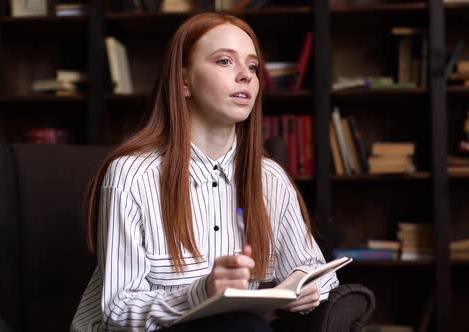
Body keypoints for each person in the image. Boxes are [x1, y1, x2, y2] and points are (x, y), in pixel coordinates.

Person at [71, 12, 338, 332]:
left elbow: (317, 270)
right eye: (225, 61)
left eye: (252, 66)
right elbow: (118, 309)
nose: (246, 77)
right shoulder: (131, 176)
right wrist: (204, 293)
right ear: (183, 80)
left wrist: (304, 284)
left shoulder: (270, 179)